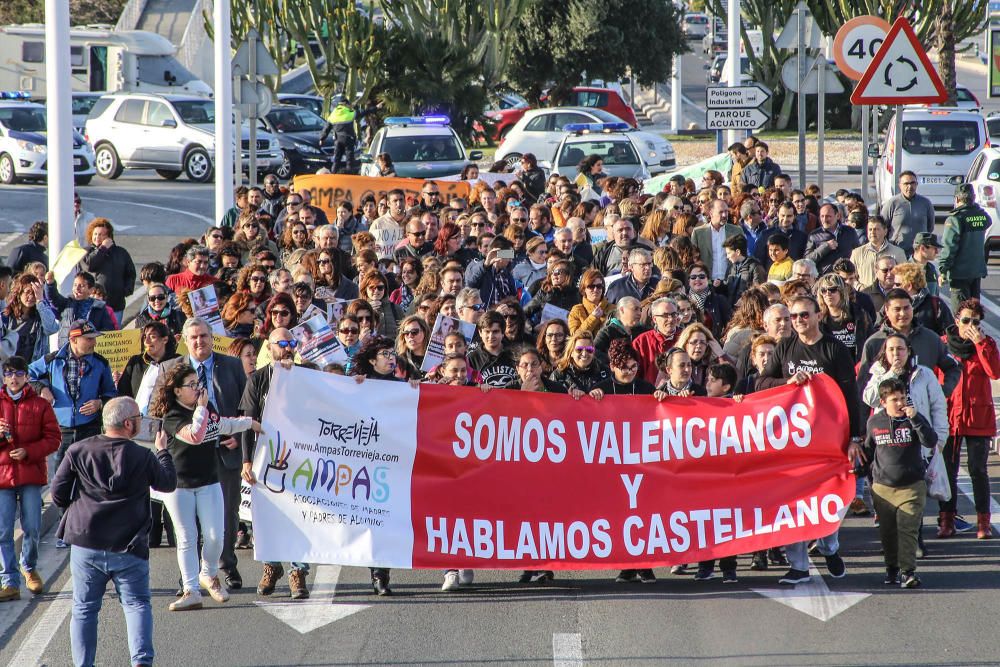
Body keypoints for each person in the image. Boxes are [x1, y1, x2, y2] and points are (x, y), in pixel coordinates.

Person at [51, 397, 176, 667]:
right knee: (137, 605)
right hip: (129, 543)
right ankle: (141, 662)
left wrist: (78, 506)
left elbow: (58, 493)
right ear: (128, 424)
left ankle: (84, 664)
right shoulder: (142, 455)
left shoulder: (78, 450)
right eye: (139, 419)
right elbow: (167, 483)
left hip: (86, 540)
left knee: (84, 609)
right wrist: (163, 451)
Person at [760, 296, 863, 585]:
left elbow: (850, 397)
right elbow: (762, 383)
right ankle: (798, 566)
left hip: (828, 441)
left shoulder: (835, 349)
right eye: (793, 317)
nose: (798, 321)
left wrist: (854, 437)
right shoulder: (784, 348)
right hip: (792, 442)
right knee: (792, 503)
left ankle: (830, 548)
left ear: (818, 315)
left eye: (804, 314)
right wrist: (787, 383)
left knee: (826, 499)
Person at [150, 361, 259, 612]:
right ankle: (191, 590)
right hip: (179, 485)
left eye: (198, 384)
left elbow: (220, 425)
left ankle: (208, 574)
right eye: (191, 385)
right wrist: (200, 409)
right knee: (187, 537)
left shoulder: (205, 407)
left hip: (209, 480)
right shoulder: (172, 415)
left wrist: (248, 423)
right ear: (177, 391)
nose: (197, 389)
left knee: (215, 536)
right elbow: (195, 435)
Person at [159, 318, 249, 591]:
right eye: (194, 337)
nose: (200, 341)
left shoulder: (232, 365)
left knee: (226, 515)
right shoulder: (171, 368)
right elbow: (160, 412)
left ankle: (226, 566)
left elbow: (244, 407)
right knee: (187, 524)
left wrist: (237, 435)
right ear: (185, 340)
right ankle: (190, 575)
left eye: (204, 336)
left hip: (225, 451)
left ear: (213, 338)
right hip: (185, 456)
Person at [239, 328, 312, 599]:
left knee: (298, 515)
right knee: (266, 517)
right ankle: (271, 566)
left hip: (299, 457)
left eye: (292, 343)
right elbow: (247, 421)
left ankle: (298, 571)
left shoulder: (306, 378)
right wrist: (246, 460)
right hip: (265, 456)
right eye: (282, 343)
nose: (288, 348)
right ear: (269, 349)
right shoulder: (257, 379)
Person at [862, 377, 936, 588]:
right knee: (888, 532)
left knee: (907, 528)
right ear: (883, 402)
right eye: (895, 399)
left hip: (912, 486)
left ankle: (908, 571)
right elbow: (868, 452)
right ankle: (892, 568)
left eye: (903, 398)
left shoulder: (913, 418)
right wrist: (863, 474)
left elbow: (929, 441)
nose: (901, 403)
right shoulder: (875, 422)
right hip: (883, 488)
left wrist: (916, 419)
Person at [937, 299, 1000, 539]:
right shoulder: (942, 345)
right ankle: (947, 520)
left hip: (978, 416)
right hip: (950, 415)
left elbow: (994, 372)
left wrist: (980, 343)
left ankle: (983, 523)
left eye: (975, 322)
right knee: (948, 471)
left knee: (978, 470)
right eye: (965, 321)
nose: (970, 325)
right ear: (956, 321)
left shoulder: (986, 344)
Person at [0, 356, 60, 602]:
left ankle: (29, 565)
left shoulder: (40, 404)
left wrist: (29, 452)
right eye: (9, 373)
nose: (13, 378)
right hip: (3, 475)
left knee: (33, 526)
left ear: (26, 376)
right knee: (3, 531)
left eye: (18, 373)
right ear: (4, 377)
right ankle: (9, 580)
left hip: (31, 474)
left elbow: (53, 438)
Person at [28, 319, 116, 480]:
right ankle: (63, 505)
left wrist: (100, 403)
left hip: (90, 427)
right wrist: (42, 388)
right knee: (62, 475)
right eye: (89, 339)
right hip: (61, 428)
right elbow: (28, 374)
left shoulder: (101, 363)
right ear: (74, 340)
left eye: (94, 338)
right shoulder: (53, 360)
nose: (94, 343)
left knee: (90, 474)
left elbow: (111, 393)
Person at [939, 183, 990, 313]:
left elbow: (949, 248)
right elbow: (988, 221)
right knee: (974, 311)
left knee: (960, 314)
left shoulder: (955, 219)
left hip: (959, 274)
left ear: (956, 199)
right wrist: (975, 208)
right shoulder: (981, 216)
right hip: (976, 271)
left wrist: (943, 270)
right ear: (973, 197)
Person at [44, 271, 117, 347]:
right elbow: (53, 297)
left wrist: (94, 338)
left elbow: (108, 329)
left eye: (81, 286)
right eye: (75, 285)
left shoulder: (99, 308)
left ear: (91, 290)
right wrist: (50, 283)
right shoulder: (67, 304)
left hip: (90, 349)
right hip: (68, 349)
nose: (77, 288)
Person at [0, 274, 58, 364]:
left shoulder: (40, 316)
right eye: (27, 292)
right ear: (19, 293)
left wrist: (40, 300)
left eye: (34, 293)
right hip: (9, 370)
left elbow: (52, 329)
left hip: (33, 371)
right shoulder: (5, 317)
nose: (31, 297)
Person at [880, 170, 935, 257]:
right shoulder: (892, 203)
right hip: (898, 252)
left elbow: (930, 227)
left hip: (919, 253)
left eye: (913, 183)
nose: (910, 186)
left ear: (916, 184)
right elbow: (882, 228)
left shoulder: (925, 203)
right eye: (906, 184)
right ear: (900, 185)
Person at [691, 200, 744, 283]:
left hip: (731, 281)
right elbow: (694, 259)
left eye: (726, 211)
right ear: (711, 213)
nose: (724, 215)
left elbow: (743, 256)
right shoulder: (698, 233)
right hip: (707, 282)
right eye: (721, 212)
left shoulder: (736, 231)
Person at [632, 298, 681, 384]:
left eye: (673, 314)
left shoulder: (686, 338)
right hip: (649, 394)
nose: (670, 319)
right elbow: (633, 374)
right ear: (654, 319)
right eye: (665, 315)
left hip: (681, 394)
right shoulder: (641, 341)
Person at [849, 216, 906, 289]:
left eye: (876, 229)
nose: (872, 232)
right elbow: (850, 277)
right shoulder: (857, 253)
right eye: (870, 229)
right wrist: (860, 288)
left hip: (890, 296)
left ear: (885, 231)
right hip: (865, 296)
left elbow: (904, 277)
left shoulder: (898, 253)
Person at [805, 203, 859, 275]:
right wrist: (825, 247)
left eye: (828, 216)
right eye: (822, 216)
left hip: (846, 277)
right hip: (825, 279)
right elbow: (807, 260)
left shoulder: (850, 232)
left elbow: (858, 253)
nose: (824, 220)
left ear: (837, 216)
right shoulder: (814, 235)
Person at [569, 268, 613, 336]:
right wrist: (593, 318)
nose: (595, 290)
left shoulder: (613, 309)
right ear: (584, 289)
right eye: (591, 286)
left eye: (599, 286)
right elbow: (575, 336)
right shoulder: (576, 310)